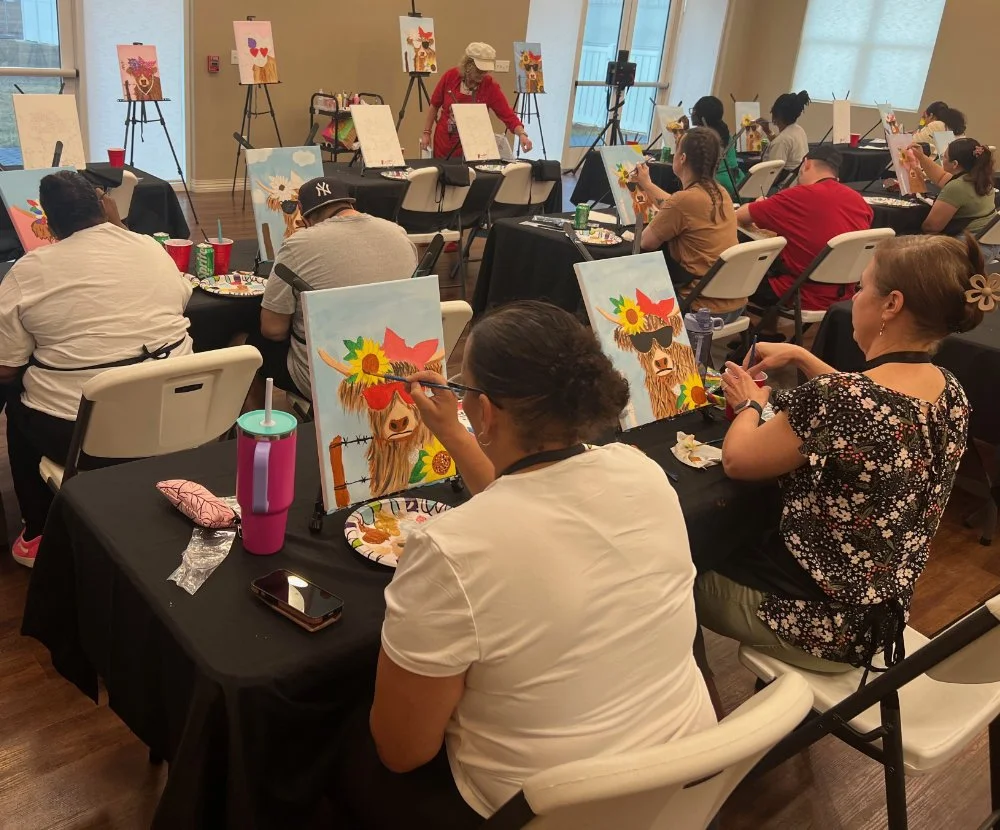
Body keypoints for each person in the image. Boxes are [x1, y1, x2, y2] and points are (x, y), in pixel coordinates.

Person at [333, 301, 715, 827]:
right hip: (681, 788)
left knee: (344, 745)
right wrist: (456, 434)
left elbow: (403, 751)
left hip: (547, 811)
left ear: (486, 410)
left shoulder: (449, 549)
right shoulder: (641, 471)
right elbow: (530, 508)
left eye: (463, 391)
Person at [697, 234, 985, 673]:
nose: (853, 299)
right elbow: (873, 407)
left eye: (862, 288)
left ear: (891, 304)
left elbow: (739, 460)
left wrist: (748, 403)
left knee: (670, 572)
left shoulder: (841, 400)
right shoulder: (950, 390)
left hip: (816, 627)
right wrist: (801, 355)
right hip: (876, 622)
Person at [0, 170, 194, 567]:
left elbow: (6, 366)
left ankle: (37, 530)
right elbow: (179, 300)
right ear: (104, 208)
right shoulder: (151, 249)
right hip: (174, 419)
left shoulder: (29, 270)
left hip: (80, 435)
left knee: (16, 405)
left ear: (49, 225)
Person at [250, 177, 418, 400]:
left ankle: (257, 429)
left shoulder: (299, 245)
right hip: (397, 369)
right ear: (350, 204)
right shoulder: (398, 233)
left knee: (252, 345)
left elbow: (273, 330)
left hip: (329, 376)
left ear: (303, 213)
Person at [736, 144, 873, 313]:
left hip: (798, 292)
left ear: (806, 164)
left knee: (737, 273)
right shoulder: (859, 201)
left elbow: (740, 216)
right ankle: (769, 332)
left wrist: (761, 205)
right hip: (845, 293)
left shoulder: (795, 196)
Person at [633, 127, 741, 320]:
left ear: (682, 158)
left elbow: (645, 242)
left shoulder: (685, 201)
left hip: (699, 305)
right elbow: (676, 205)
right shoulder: (719, 192)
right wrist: (647, 185)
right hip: (734, 301)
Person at [420, 43, 532, 160]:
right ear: (468, 65)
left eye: (485, 71)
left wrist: (522, 134)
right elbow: (434, 105)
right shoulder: (450, 77)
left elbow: (507, 114)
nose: (482, 75)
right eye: (479, 71)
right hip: (444, 143)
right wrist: (426, 132)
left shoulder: (489, 85)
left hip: (473, 147)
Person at [909, 138, 997, 243]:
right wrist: (921, 157)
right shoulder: (980, 178)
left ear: (954, 164)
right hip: (989, 241)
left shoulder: (957, 187)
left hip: (971, 246)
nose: (942, 158)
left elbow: (931, 227)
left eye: (945, 157)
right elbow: (941, 177)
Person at [690, 95, 742, 198]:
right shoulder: (725, 133)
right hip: (737, 182)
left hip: (717, 184)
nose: (692, 114)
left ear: (701, 116)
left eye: (694, 110)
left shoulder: (703, 138)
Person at [758, 90, 811, 174]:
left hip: (781, 185)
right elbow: (783, 145)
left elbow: (771, 176)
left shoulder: (782, 141)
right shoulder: (798, 130)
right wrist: (768, 131)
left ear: (776, 114)